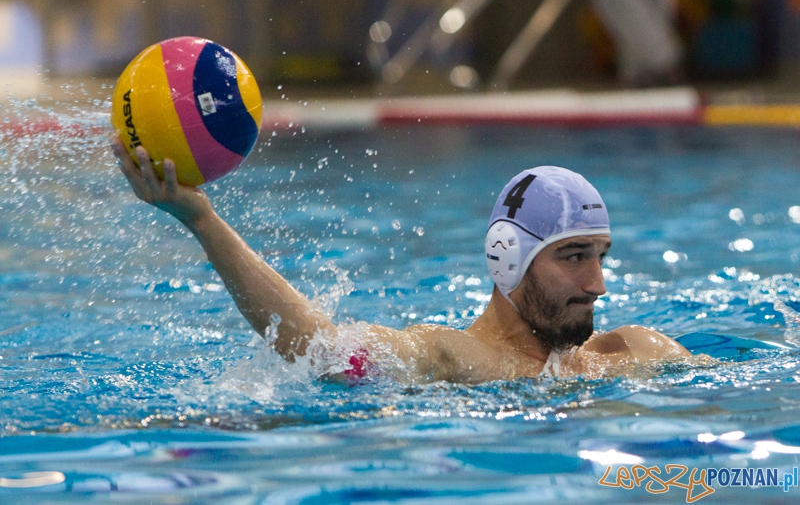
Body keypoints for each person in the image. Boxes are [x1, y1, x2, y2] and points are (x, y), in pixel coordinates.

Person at [113, 142, 691, 383]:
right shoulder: (450, 357)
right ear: (507, 258)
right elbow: (319, 348)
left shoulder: (637, 351)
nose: (598, 283)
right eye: (573, 257)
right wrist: (203, 223)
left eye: (600, 256)